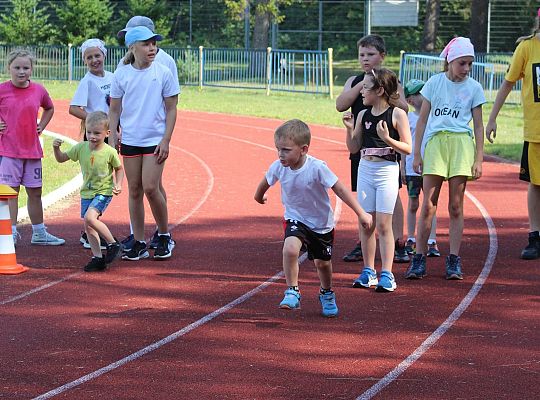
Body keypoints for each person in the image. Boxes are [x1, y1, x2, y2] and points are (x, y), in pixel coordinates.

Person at [254, 119, 372, 317]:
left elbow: (339, 189)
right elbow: (265, 182)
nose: (280, 154)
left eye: (285, 150)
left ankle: (326, 292)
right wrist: (259, 197)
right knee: (290, 249)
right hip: (295, 218)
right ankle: (292, 290)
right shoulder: (278, 166)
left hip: (320, 225)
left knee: (322, 264)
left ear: (303, 149)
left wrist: (361, 212)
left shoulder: (317, 168)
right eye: (278, 149)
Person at [405, 37, 485, 281]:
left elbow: (479, 127)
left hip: (461, 144)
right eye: (462, 63)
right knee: (428, 204)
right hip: (436, 142)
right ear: (450, 61)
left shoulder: (474, 88)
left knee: (455, 205)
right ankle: (419, 258)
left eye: (470, 64)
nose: (466, 69)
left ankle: (453, 259)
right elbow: (422, 120)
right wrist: (416, 153)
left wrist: (478, 158)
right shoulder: (434, 83)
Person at [336, 34, 410, 265]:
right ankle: (364, 240)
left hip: (385, 148)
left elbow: (404, 106)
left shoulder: (390, 81)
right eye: (361, 55)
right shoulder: (355, 80)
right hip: (362, 145)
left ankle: (398, 241)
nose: (365, 59)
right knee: (364, 197)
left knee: (392, 195)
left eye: (370, 55)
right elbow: (340, 104)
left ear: (382, 56)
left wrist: (382, 91)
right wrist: (363, 83)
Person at [109, 26, 180, 261]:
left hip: (154, 141)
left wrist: (166, 139)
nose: (152, 48)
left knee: (151, 187)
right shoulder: (121, 75)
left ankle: (164, 235)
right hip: (130, 140)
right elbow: (115, 109)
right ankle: (138, 241)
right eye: (146, 44)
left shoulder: (163, 73)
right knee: (135, 189)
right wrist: (112, 135)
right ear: (132, 47)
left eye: (154, 43)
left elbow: (171, 108)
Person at [343, 67, 411, 292]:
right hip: (365, 169)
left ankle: (388, 274)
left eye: (366, 88)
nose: (362, 92)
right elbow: (354, 147)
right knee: (366, 222)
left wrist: (387, 139)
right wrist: (349, 130)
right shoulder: (363, 114)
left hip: (386, 171)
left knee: (383, 225)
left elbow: (408, 148)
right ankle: (368, 271)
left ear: (380, 89)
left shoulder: (397, 114)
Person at [486, 9, 540, 260]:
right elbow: (508, 83)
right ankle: (535, 236)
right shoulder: (527, 48)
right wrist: (493, 117)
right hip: (536, 131)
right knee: (536, 184)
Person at [0, 49, 64, 247]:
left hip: (32, 150)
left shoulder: (39, 90)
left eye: (26, 68)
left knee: (35, 192)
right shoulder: (2, 89)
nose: (21, 71)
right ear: (8, 67)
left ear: (32, 69)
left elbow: (49, 107)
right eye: (17, 67)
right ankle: (9, 233)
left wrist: (42, 125)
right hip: (8, 151)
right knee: (11, 193)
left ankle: (39, 232)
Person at [52, 112, 124, 272]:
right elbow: (61, 158)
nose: (92, 136)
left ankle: (113, 244)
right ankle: (98, 258)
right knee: (89, 225)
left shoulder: (109, 151)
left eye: (97, 133)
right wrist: (56, 149)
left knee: (90, 217)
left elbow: (119, 169)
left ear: (107, 133)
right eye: (89, 132)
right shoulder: (81, 148)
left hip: (103, 191)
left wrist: (118, 183)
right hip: (86, 193)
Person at [69, 38, 113, 250]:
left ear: (104, 55)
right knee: (96, 181)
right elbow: (73, 108)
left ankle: (92, 226)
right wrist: (93, 121)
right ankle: (89, 231)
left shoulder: (113, 77)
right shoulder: (87, 81)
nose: (94, 60)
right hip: (94, 137)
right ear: (84, 60)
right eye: (89, 57)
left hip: (109, 135)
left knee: (105, 181)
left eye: (97, 55)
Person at [402, 79, 440, 257]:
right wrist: (402, 166)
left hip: (431, 166)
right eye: (418, 93)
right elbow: (403, 143)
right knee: (413, 203)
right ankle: (411, 237)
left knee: (430, 204)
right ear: (410, 100)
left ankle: (431, 239)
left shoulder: (434, 117)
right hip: (411, 168)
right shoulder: (408, 118)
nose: (423, 96)